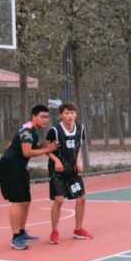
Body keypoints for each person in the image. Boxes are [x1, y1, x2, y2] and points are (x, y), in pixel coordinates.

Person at [0, 105, 58, 250]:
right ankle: (15, 238)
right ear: (34, 117)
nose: (45, 120)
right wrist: (47, 149)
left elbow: (17, 146)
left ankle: (21, 231)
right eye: (42, 117)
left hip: (19, 167)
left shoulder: (31, 130)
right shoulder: (27, 130)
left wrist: (44, 145)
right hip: (10, 167)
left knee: (25, 201)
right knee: (17, 201)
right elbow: (27, 152)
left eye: (47, 117)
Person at [46, 103, 92, 244]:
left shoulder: (80, 128)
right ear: (61, 115)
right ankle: (54, 231)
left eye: (72, 113)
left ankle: (78, 229)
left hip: (73, 170)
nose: (69, 116)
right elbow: (46, 149)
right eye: (66, 113)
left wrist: (79, 160)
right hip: (58, 171)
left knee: (81, 199)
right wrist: (56, 161)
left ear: (76, 114)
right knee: (59, 200)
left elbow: (79, 147)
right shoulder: (54, 131)